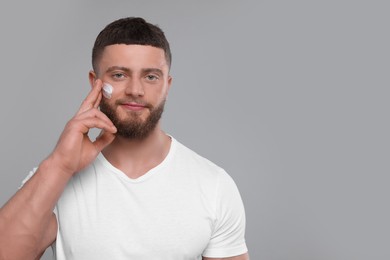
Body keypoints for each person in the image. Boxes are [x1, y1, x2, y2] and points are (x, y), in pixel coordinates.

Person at [0, 17, 248, 260]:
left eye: (151, 77)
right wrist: (61, 164)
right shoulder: (54, 179)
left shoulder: (213, 185)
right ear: (95, 83)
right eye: (119, 75)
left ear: (167, 86)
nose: (135, 90)